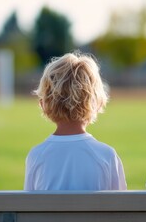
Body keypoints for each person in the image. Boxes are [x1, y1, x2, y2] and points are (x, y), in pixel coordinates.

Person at [24, 52, 127, 190]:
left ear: (44, 104)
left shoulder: (36, 156)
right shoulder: (107, 156)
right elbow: (120, 207)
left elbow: (31, 208)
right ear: (97, 102)